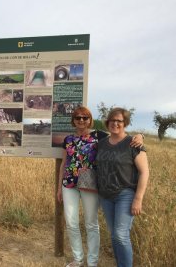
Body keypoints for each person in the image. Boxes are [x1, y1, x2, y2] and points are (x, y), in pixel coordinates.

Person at [57, 106, 144, 267]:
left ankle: (92, 262)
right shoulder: (68, 139)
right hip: (69, 184)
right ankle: (78, 259)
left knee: (91, 223)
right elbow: (64, 164)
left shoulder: (99, 136)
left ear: (90, 120)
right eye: (78, 118)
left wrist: (140, 135)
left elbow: (120, 136)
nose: (81, 120)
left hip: (90, 184)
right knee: (71, 222)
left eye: (85, 117)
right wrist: (58, 188)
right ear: (73, 121)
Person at [96, 108, 149, 267]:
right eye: (112, 120)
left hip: (125, 194)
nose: (115, 123)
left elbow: (144, 172)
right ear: (107, 122)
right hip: (105, 195)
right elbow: (83, 130)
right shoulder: (102, 143)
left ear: (125, 123)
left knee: (120, 235)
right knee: (114, 235)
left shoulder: (133, 144)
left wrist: (138, 199)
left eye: (119, 121)